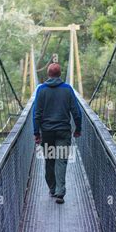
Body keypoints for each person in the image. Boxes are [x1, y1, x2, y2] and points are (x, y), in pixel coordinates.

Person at [33, 63, 82, 204]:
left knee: (49, 160)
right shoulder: (67, 89)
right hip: (63, 131)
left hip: (47, 132)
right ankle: (60, 192)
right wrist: (78, 128)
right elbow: (76, 112)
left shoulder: (41, 90)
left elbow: (36, 114)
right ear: (60, 74)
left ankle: (53, 189)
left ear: (48, 74)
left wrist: (36, 132)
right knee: (61, 160)